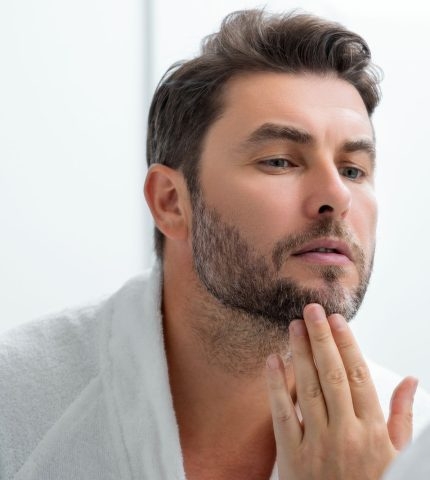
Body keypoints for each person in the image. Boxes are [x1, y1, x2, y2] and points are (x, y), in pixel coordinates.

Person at [1, 9, 429, 480]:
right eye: (280, 161)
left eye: (353, 170)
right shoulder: (16, 404)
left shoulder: (413, 451)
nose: (337, 196)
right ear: (171, 203)